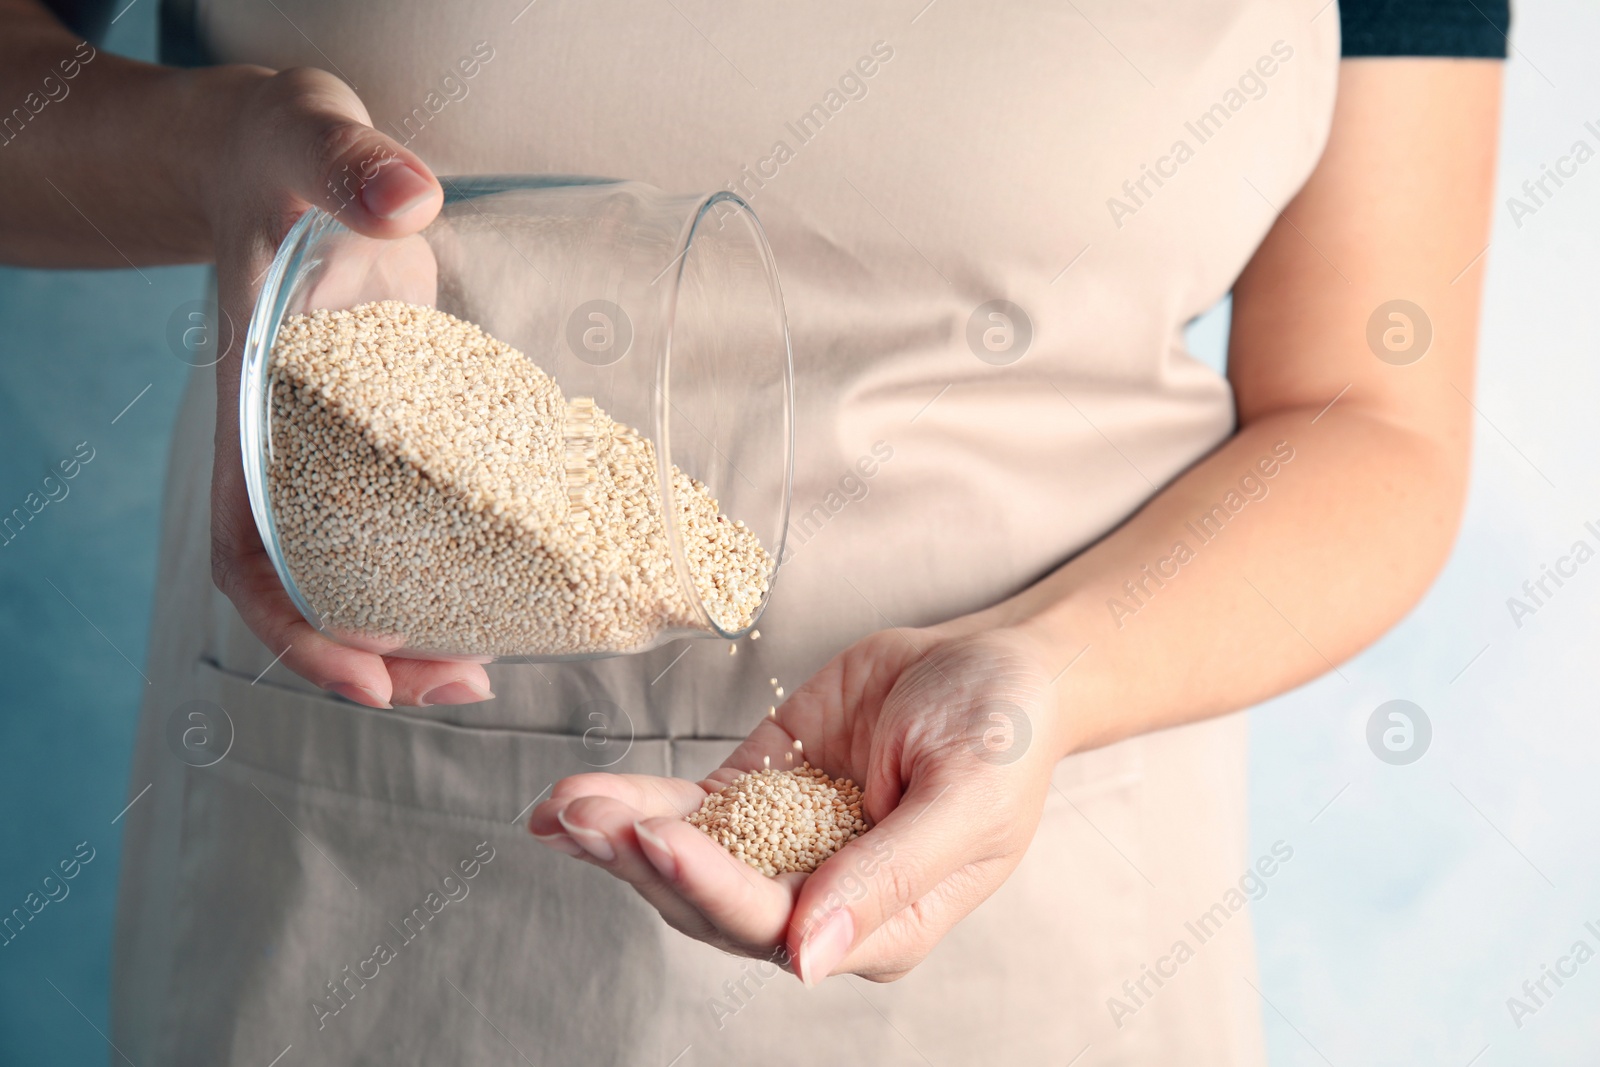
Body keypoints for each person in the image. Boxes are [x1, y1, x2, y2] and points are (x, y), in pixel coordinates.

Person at [2, 0, 1507, 1062]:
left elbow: (1369, 416)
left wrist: (1043, 676)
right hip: (358, 880)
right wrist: (212, 154)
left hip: (1038, 884)